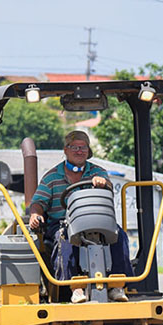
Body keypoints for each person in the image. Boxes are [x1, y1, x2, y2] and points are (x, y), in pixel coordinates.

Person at [28, 130, 132, 303]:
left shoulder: (98, 172)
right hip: (64, 223)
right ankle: (76, 288)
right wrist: (35, 214)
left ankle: (117, 286)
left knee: (119, 236)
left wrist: (102, 183)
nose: (79, 151)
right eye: (74, 147)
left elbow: (108, 189)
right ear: (66, 150)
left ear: (88, 151)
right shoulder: (52, 177)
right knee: (64, 240)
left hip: (96, 220)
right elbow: (39, 201)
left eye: (83, 147)